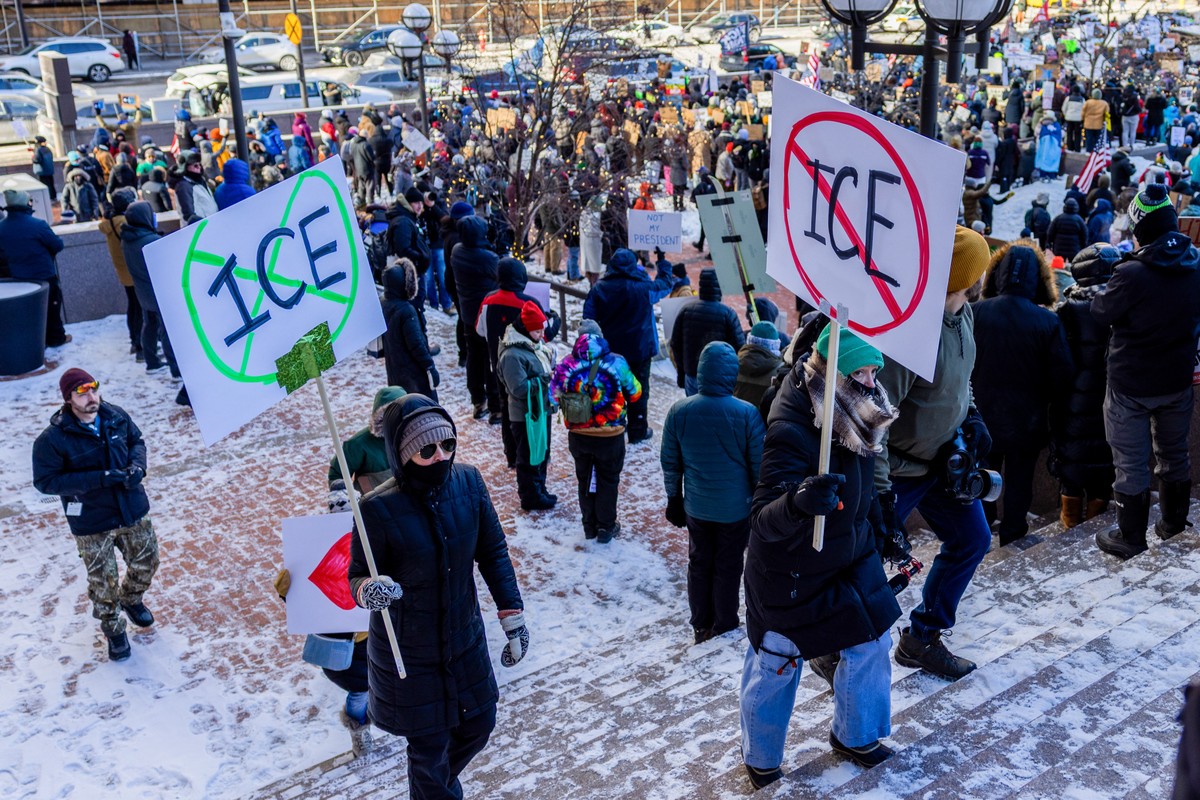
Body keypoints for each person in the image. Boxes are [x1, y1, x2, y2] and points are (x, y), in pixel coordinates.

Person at [739, 326, 901, 790]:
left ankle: (857, 735)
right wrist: (797, 502)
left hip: (849, 553)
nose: (872, 382)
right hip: (790, 568)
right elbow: (761, 520)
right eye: (862, 372)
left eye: (875, 371)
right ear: (833, 373)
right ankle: (761, 754)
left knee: (871, 641)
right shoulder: (792, 423)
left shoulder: (861, 408)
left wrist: (882, 518)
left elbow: (867, 482)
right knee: (777, 663)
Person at [347, 394, 527, 800]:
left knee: (479, 724)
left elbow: (493, 551)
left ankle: (436, 791)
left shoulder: (469, 482)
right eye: (427, 450)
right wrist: (369, 591)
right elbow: (357, 576)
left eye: (447, 444)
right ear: (404, 453)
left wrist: (511, 613)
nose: (440, 456)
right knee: (428, 751)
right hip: (410, 650)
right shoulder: (376, 510)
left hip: (464, 637)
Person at [874, 226, 993, 680]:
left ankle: (922, 637)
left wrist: (972, 418)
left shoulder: (964, 316)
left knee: (972, 539)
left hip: (943, 459)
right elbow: (877, 417)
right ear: (965, 275)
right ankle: (837, 645)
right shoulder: (913, 334)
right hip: (900, 468)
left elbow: (960, 385)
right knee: (864, 556)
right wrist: (882, 496)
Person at [1093, 183, 1200, 558]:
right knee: (1175, 453)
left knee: (1131, 462)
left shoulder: (1132, 273)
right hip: (1177, 379)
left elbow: (1100, 312)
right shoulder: (1196, 262)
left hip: (1130, 385)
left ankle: (1130, 536)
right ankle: (1172, 523)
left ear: (1142, 230)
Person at [32, 368, 159, 662]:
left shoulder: (116, 416)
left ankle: (131, 598)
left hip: (131, 508)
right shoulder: (52, 439)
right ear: (69, 399)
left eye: (94, 389)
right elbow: (46, 481)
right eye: (82, 392)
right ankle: (114, 630)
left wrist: (138, 468)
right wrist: (100, 477)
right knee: (103, 581)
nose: (91, 397)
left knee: (148, 561)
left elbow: (136, 442)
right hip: (91, 520)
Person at [661, 341, 764, 644]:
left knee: (699, 562)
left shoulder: (679, 411)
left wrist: (673, 499)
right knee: (729, 565)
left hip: (697, 507)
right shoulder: (747, 414)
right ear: (732, 373)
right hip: (736, 510)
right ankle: (725, 622)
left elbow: (670, 461)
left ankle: (700, 623)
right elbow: (758, 467)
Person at [972, 241, 1073, 544]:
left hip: (981, 416)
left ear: (996, 274)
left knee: (984, 475)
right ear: (1038, 278)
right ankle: (1014, 534)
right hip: (1026, 420)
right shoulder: (1047, 321)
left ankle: (981, 530)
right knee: (1019, 480)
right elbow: (1063, 377)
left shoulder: (975, 312)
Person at [550, 322, 642, 543]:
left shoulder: (566, 364)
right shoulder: (617, 362)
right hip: (611, 435)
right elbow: (636, 392)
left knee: (584, 479)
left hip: (579, 435)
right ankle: (606, 527)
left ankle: (589, 525)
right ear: (601, 337)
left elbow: (551, 397)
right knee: (608, 479)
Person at [1051, 244, 1121, 527]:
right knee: (1105, 459)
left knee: (1071, 459)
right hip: (1113, 396)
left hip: (1073, 400)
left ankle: (1069, 520)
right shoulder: (1122, 305)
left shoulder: (1066, 309)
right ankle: (1094, 519)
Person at [582, 247, 673, 444]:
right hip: (640, 349)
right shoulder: (643, 288)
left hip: (610, 351)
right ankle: (637, 429)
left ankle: (616, 425)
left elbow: (588, 319)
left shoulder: (599, 288)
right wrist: (662, 261)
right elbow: (665, 284)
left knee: (613, 388)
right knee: (639, 390)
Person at [475, 257, 556, 467]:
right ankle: (533, 455)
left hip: (498, 366)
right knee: (530, 410)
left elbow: (479, 330)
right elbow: (543, 336)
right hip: (528, 370)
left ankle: (511, 455)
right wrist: (556, 323)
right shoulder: (529, 302)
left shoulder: (488, 300)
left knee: (506, 407)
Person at [496, 301, 557, 511]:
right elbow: (519, 389)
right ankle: (531, 496)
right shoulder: (513, 354)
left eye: (542, 329)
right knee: (529, 456)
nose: (542, 334)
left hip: (540, 410)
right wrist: (544, 379)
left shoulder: (532, 344)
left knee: (541, 452)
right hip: (525, 415)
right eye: (537, 330)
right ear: (526, 328)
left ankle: (540, 488)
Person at [0, 188, 68, 346]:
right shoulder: (37, 225)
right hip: (44, 274)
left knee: (31, 312)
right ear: (25, 204)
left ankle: (38, 341)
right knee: (52, 307)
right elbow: (57, 245)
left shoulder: (2, 228)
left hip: (19, 277)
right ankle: (57, 338)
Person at [121, 201, 179, 379]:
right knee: (167, 330)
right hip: (158, 293)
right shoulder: (151, 241)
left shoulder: (128, 238)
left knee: (150, 325)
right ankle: (176, 369)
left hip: (143, 293)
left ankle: (152, 361)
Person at [451, 214, 501, 421]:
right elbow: (500, 272)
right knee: (490, 360)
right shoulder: (487, 258)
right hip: (486, 317)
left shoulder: (457, 251)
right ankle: (496, 406)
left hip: (467, 315)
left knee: (473, 357)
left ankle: (478, 401)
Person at [670, 268, 745, 396]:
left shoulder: (686, 310)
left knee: (694, 410)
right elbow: (741, 349)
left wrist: (682, 373)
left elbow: (675, 344)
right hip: (719, 376)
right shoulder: (728, 314)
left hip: (692, 374)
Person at [328, 385, 407, 498]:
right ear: (381, 417)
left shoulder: (416, 436)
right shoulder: (358, 444)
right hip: (372, 503)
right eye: (389, 414)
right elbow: (337, 474)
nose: (396, 419)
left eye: (400, 413)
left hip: (408, 500)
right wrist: (342, 494)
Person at [381, 259, 438, 399]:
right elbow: (416, 344)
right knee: (423, 407)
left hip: (394, 369)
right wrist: (430, 367)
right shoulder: (406, 310)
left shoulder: (383, 302)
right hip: (413, 375)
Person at [97, 189, 141, 359]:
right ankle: (138, 343)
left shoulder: (109, 221)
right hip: (133, 270)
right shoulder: (123, 222)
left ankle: (134, 340)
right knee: (138, 308)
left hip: (122, 270)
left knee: (133, 306)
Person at [734, 321, 786, 411]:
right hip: (763, 422)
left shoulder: (732, 364)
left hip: (735, 419)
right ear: (775, 345)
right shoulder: (781, 371)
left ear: (749, 340)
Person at [174, 151, 218, 225]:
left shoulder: (200, 181)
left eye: (199, 164)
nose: (199, 167)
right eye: (195, 165)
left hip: (210, 226)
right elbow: (189, 216)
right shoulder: (184, 186)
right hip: (200, 230)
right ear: (185, 167)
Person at [1046, 197, 1087, 262]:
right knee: (1073, 265)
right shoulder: (1079, 220)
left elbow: (1050, 232)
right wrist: (1083, 246)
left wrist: (1049, 242)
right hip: (1074, 248)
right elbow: (1084, 234)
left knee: (1059, 265)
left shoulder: (1058, 218)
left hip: (1059, 248)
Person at [31, 135, 56, 201]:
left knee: (45, 185)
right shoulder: (47, 149)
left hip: (42, 171)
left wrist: (33, 157)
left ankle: (48, 198)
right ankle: (53, 197)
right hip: (49, 170)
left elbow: (37, 160)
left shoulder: (38, 150)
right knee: (51, 184)